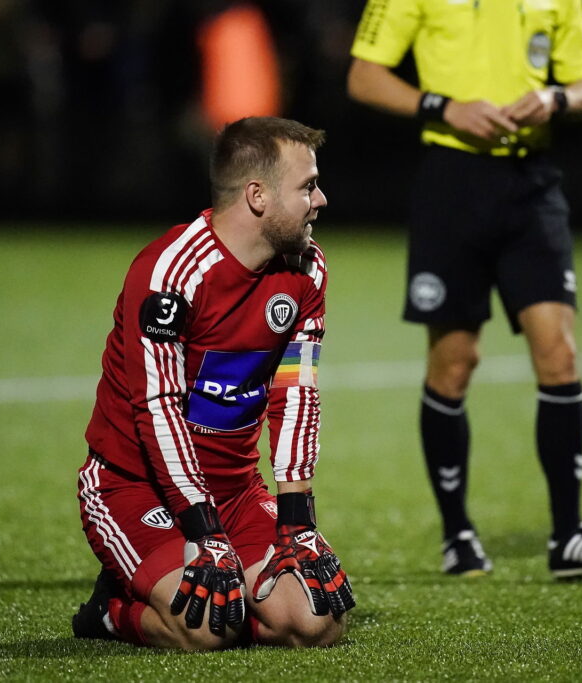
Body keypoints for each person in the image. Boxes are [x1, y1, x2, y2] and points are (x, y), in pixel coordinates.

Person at [347, 0, 582, 580]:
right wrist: (443, 107)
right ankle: (457, 533)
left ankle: (567, 537)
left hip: (532, 185)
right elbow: (363, 76)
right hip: (452, 185)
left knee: (559, 352)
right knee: (455, 363)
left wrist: (554, 98)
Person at [72, 116, 355, 649]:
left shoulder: (307, 270)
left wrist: (297, 519)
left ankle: (209, 594)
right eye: (308, 186)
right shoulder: (169, 274)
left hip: (236, 492)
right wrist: (203, 532)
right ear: (257, 195)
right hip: (134, 489)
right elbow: (157, 408)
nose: (321, 200)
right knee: (207, 628)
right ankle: (110, 610)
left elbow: (295, 392)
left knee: (315, 620)